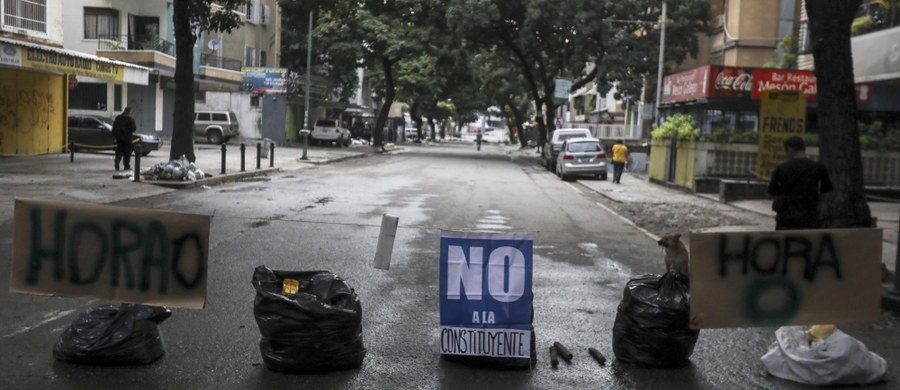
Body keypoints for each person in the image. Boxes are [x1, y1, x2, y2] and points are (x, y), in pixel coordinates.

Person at [767, 135, 834, 230]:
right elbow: (825, 193)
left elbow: (772, 191)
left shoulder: (781, 167)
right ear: (803, 148)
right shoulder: (819, 167)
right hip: (810, 216)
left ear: (789, 149)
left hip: (786, 217)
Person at [112, 107, 137, 171]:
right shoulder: (130, 119)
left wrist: (115, 136)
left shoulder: (118, 118)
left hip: (119, 138)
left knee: (119, 151)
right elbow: (133, 128)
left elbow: (114, 128)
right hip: (128, 139)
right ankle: (126, 165)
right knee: (127, 152)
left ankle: (117, 161)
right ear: (129, 111)